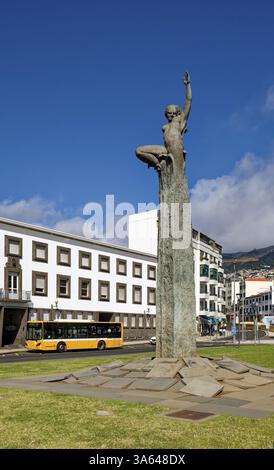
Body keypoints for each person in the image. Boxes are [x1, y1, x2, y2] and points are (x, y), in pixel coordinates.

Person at [135, 71, 192, 173]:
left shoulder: (180, 121)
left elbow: (189, 101)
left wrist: (187, 85)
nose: (169, 115)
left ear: (177, 113)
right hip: (165, 149)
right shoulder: (165, 126)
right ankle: (157, 164)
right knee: (139, 151)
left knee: (177, 173)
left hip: (176, 149)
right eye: (168, 113)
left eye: (172, 113)